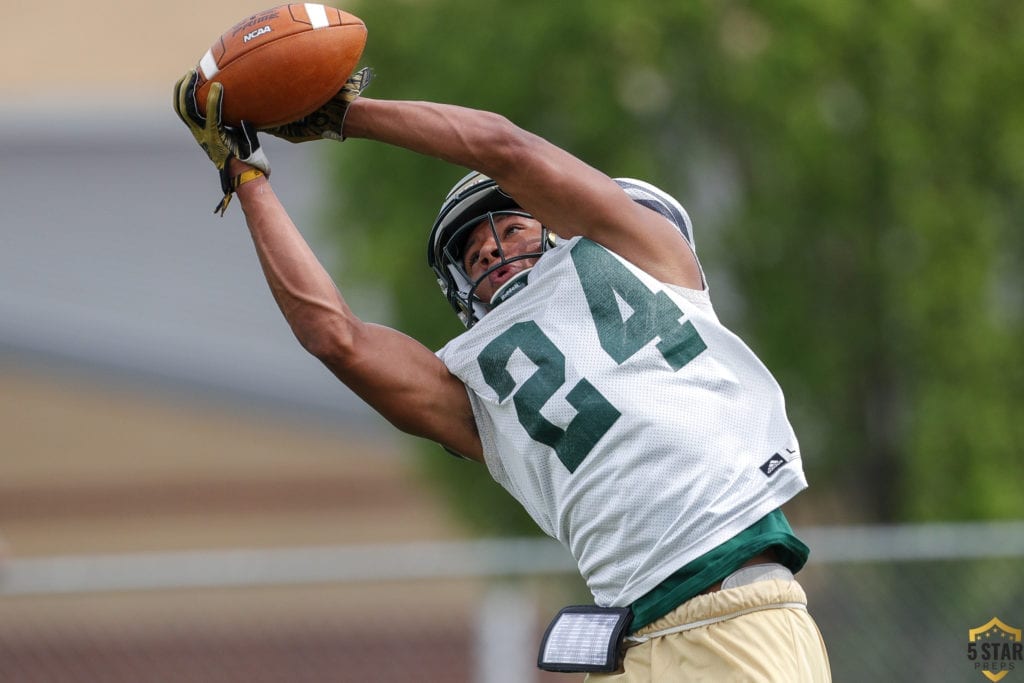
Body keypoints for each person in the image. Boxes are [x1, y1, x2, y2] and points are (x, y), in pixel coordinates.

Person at [173, 67, 831, 681]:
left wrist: (343, 114)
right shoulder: (479, 390)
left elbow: (502, 147)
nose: (486, 247)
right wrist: (246, 176)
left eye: (508, 226)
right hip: (631, 638)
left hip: (738, 611)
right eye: (470, 249)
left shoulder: (645, 253)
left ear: (562, 224)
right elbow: (335, 336)